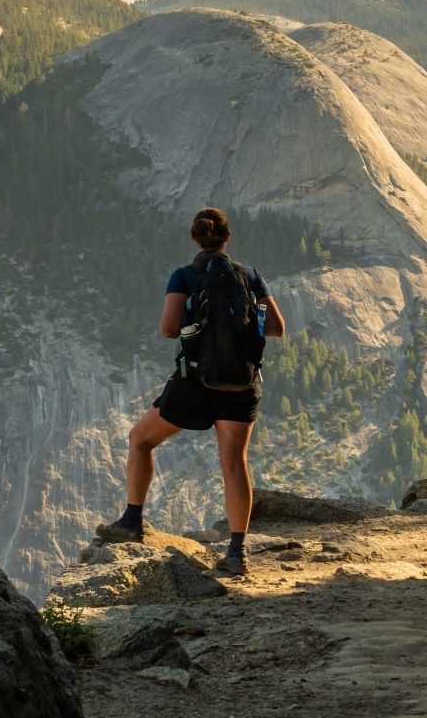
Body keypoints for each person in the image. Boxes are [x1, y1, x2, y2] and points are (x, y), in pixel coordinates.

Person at [98, 206, 286, 576]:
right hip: (241, 384)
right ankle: (236, 553)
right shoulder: (249, 276)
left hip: (195, 383)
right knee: (233, 463)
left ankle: (132, 521)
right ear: (227, 237)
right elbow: (277, 327)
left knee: (140, 440)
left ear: (194, 238)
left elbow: (168, 329)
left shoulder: (185, 276)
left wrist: (198, 324)